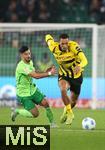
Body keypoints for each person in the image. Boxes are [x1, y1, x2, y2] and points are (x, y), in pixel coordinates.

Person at [45, 34, 88, 125]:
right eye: (62, 43)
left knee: (74, 101)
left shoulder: (74, 46)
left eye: (66, 43)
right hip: (64, 75)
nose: (64, 45)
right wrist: (48, 37)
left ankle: (66, 110)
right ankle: (70, 113)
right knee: (63, 89)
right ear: (59, 43)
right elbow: (48, 38)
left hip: (76, 76)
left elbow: (85, 60)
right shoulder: (54, 47)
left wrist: (80, 66)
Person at [11, 46, 56, 127]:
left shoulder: (30, 62)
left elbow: (34, 72)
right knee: (35, 114)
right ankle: (17, 111)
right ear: (21, 55)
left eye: (29, 53)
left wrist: (44, 71)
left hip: (32, 89)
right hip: (24, 94)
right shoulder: (21, 66)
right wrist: (49, 74)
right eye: (26, 54)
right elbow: (36, 76)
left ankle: (52, 123)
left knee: (45, 103)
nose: (28, 55)